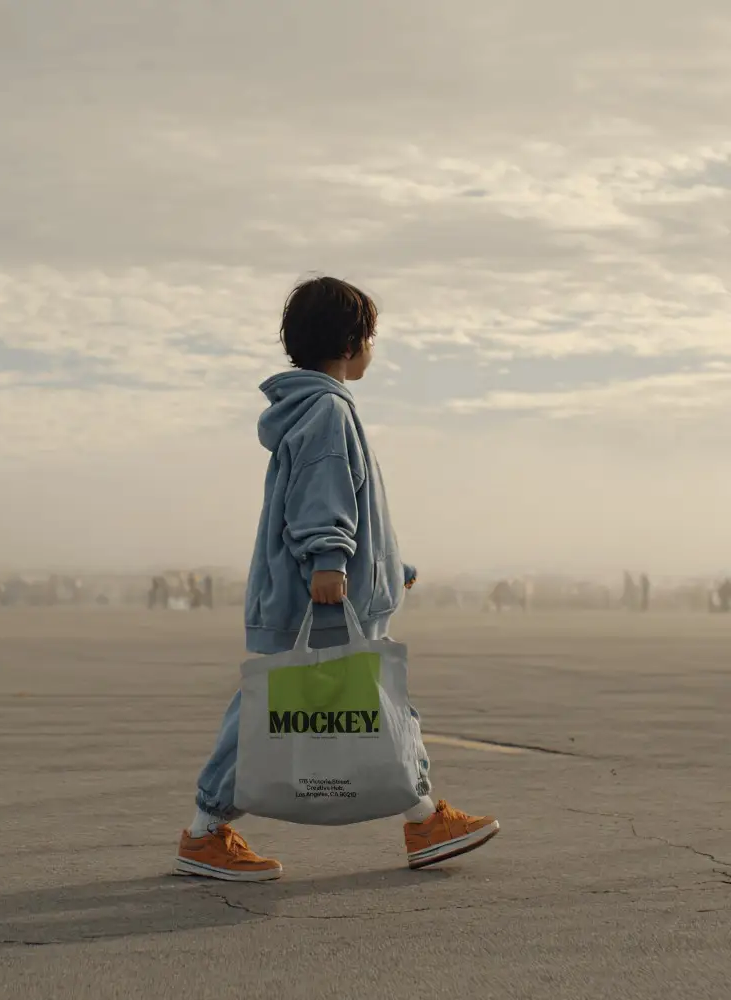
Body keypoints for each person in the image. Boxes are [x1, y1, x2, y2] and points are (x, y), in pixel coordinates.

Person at [175, 276, 500, 881]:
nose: (373, 349)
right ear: (352, 343)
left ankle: (423, 817)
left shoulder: (317, 407)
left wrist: (387, 566)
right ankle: (206, 831)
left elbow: (356, 506)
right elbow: (321, 497)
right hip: (319, 599)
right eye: (372, 338)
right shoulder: (327, 409)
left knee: (370, 707)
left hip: (336, 592)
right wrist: (329, 560)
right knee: (289, 708)